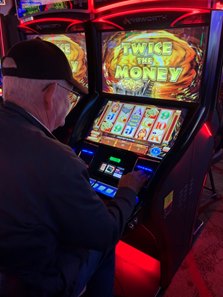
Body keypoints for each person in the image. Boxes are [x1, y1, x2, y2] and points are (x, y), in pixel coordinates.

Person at [0, 38, 148, 297]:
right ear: (50, 95)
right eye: (68, 95)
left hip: (8, 264)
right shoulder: (56, 159)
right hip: (36, 282)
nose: (69, 104)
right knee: (102, 245)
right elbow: (105, 232)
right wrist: (127, 191)